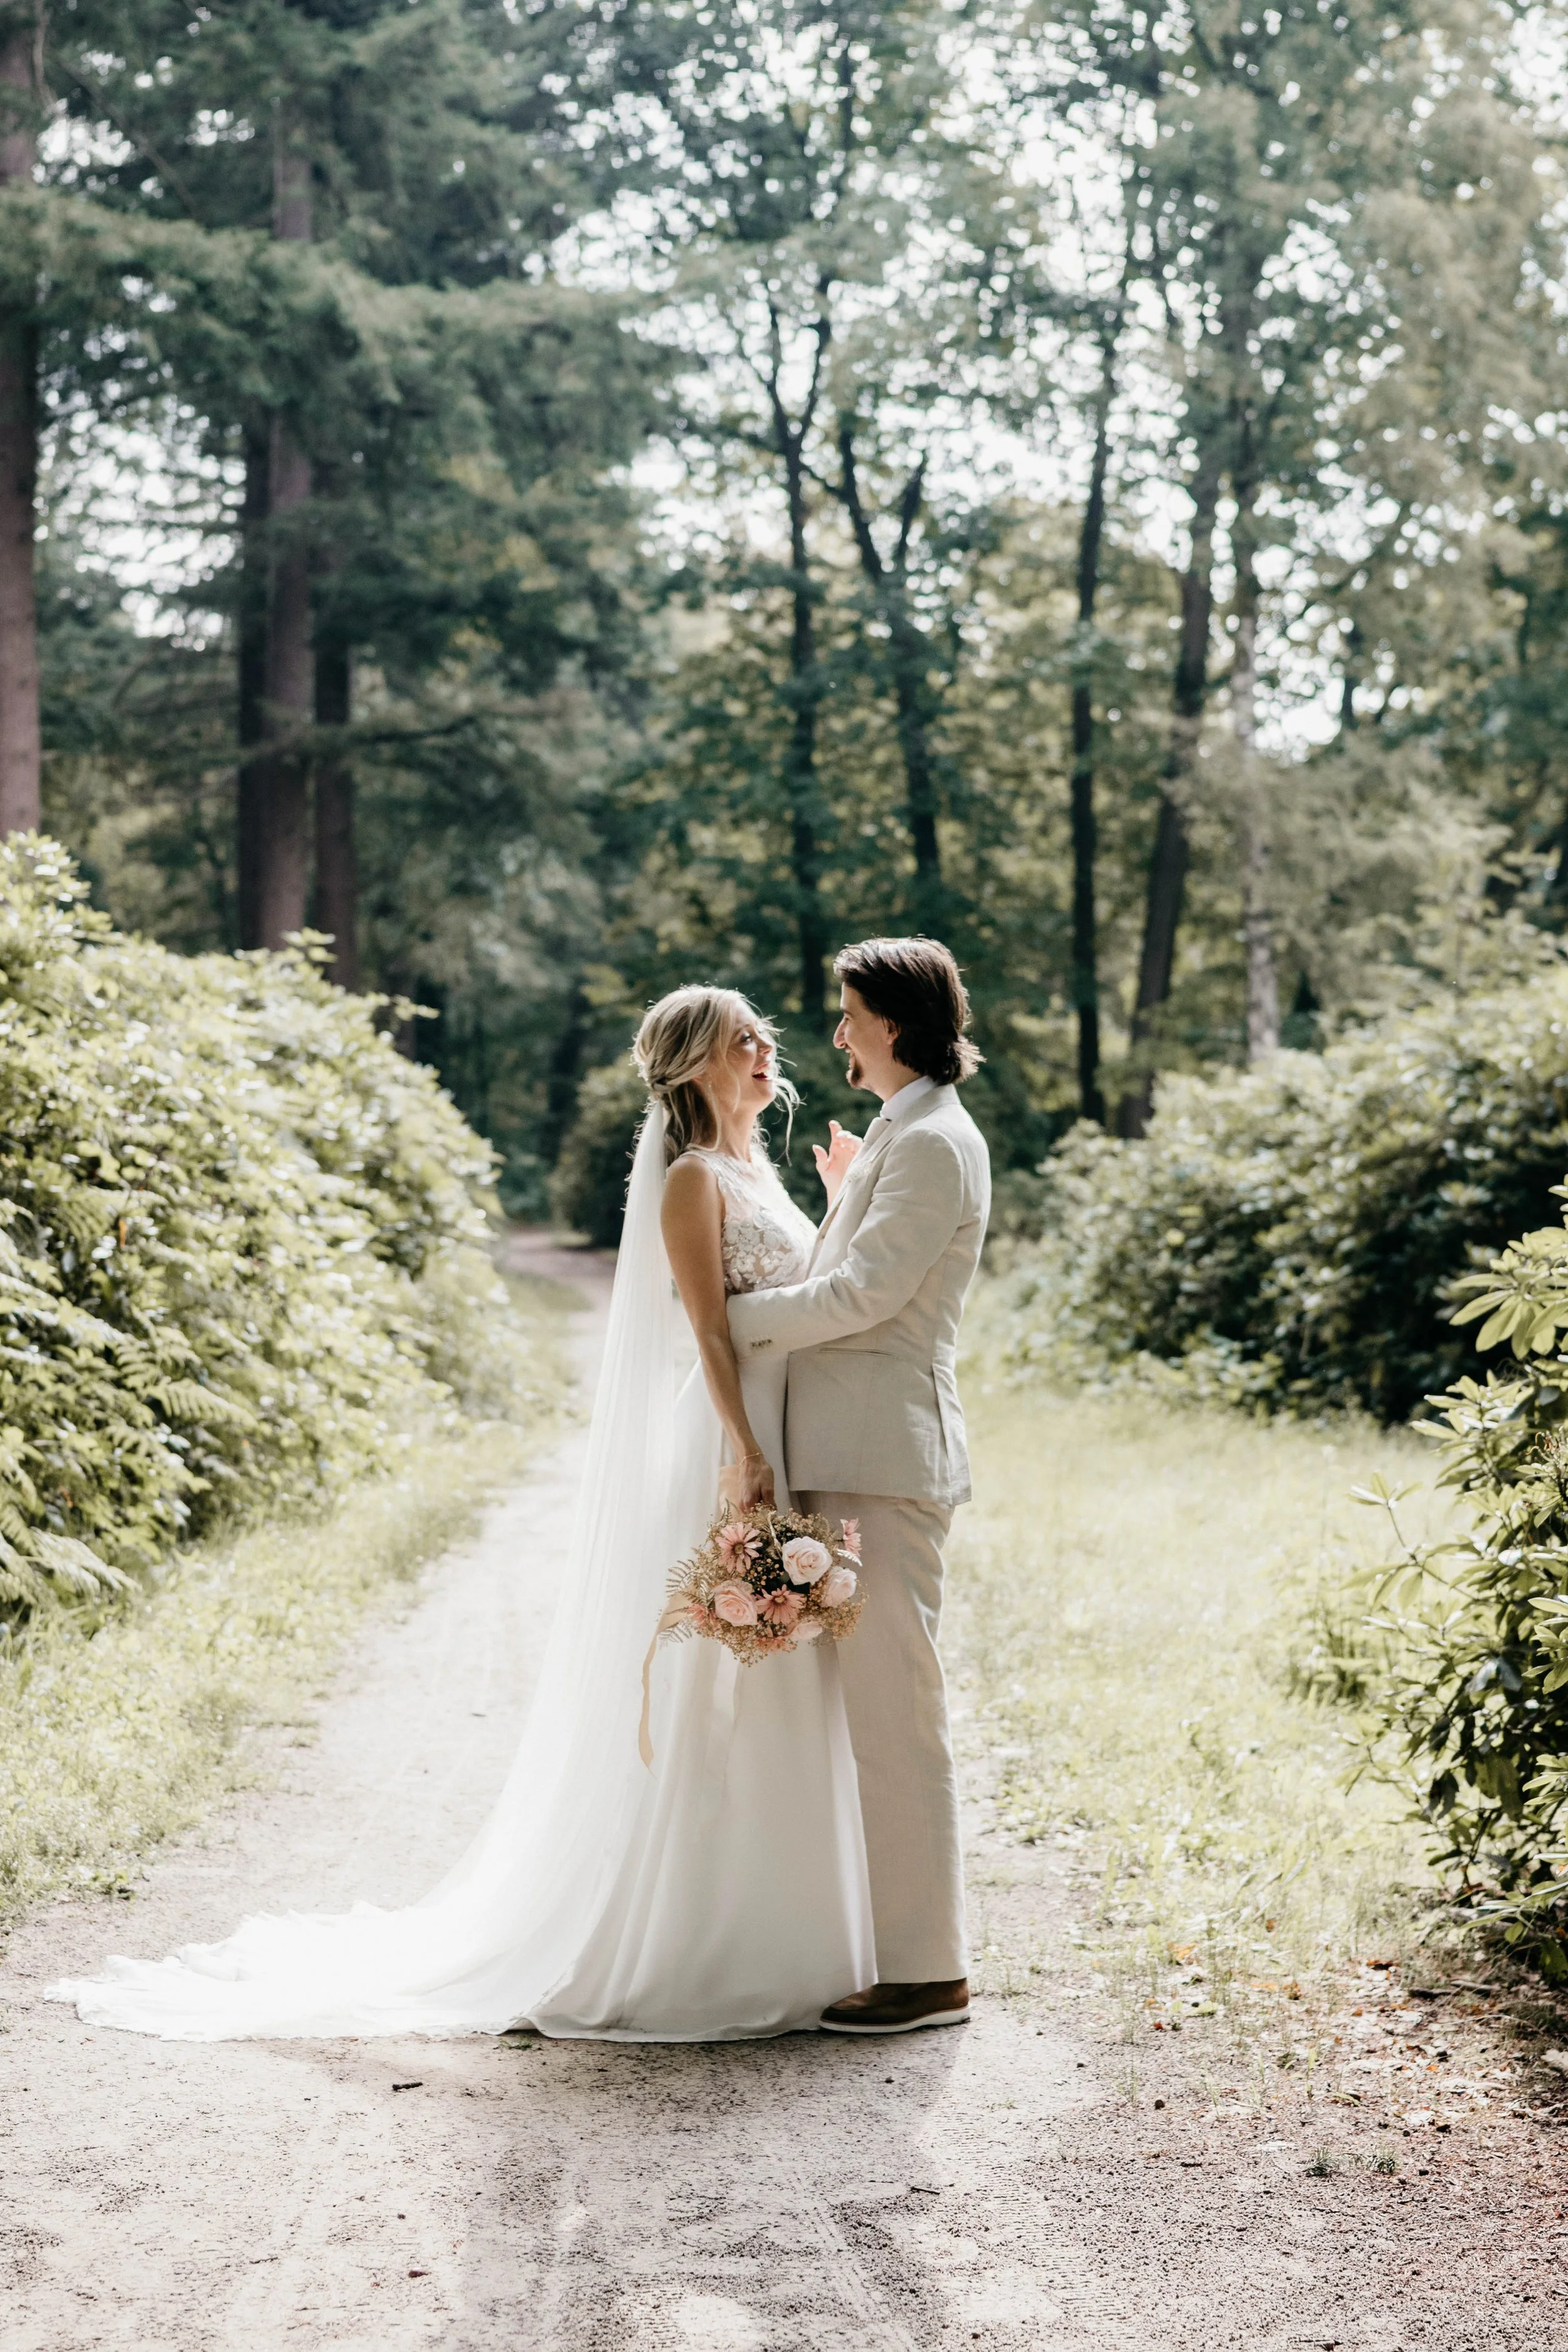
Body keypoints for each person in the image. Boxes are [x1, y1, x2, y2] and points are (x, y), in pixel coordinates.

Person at [46, 987, 872, 2041]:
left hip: (788, 1429)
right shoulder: (692, 1181)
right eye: (739, 1040)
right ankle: (692, 1936)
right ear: (693, 1064)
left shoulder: (761, 1169)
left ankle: (788, 1924)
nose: (766, 1049)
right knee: (717, 1676)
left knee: (778, 1684)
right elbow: (710, 1333)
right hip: (731, 1437)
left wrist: (841, 1196)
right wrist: (745, 1452)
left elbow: (808, 1293)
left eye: (763, 1035)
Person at [728, 937, 991, 2035]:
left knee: (897, 1711)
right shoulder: (901, 1133)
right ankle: (891, 1949)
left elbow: (868, 1296)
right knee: (864, 1714)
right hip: (849, 1459)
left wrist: (730, 1321)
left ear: (892, 1019)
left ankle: (928, 1970)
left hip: (885, 1463)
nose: (836, 1036)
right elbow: (867, 1254)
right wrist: (843, 1194)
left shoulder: (934, 1139)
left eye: (847, 1015)